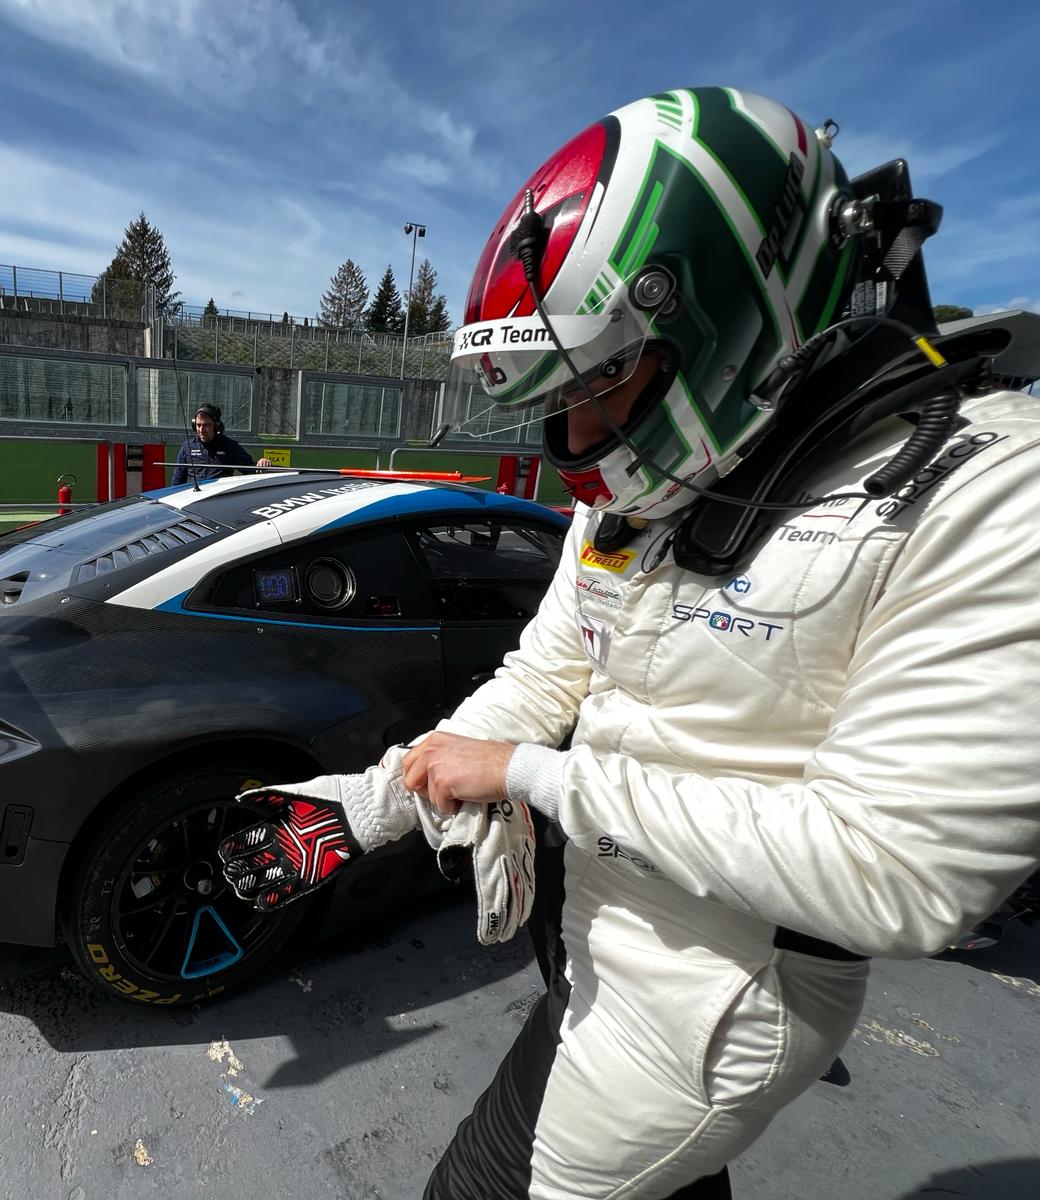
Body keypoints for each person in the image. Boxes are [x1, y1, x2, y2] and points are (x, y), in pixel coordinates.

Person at [218, 86, 1040, 1198]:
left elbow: (893, 874)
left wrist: (533, 778)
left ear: (739, 304)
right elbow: (542, 676)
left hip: (716, 1003)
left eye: (600, 381)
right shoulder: (638, 502)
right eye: (552, 398)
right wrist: (368, 805)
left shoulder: (988, 492)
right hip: (592, 940)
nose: (571, 442)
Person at [169, 403, 268, 483]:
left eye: (206, 425)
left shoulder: (229, 446)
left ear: (216, 426)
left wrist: (261, 463)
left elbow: (249, 468)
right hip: (192, 499)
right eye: (198, 425)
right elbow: (177, 479)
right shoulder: (187, 447)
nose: (201, 430)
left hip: (217, 499)